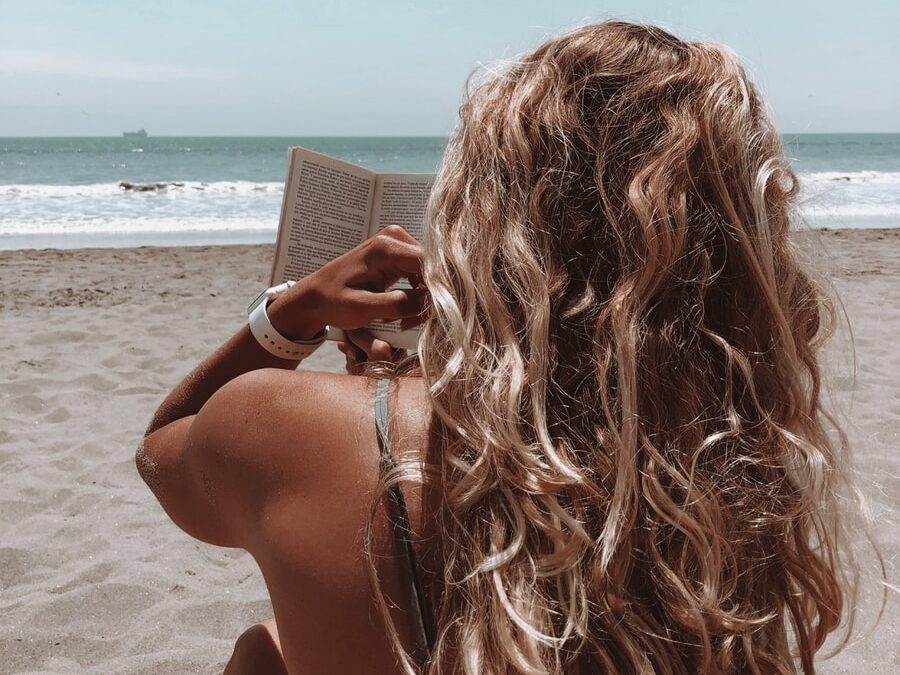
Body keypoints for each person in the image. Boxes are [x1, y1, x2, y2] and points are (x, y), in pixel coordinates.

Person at [138, 21, 859, 675]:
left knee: (262, 651)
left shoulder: (293, 428)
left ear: (482, 213)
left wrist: (291, 318)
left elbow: (163, 454)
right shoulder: (731, 462)